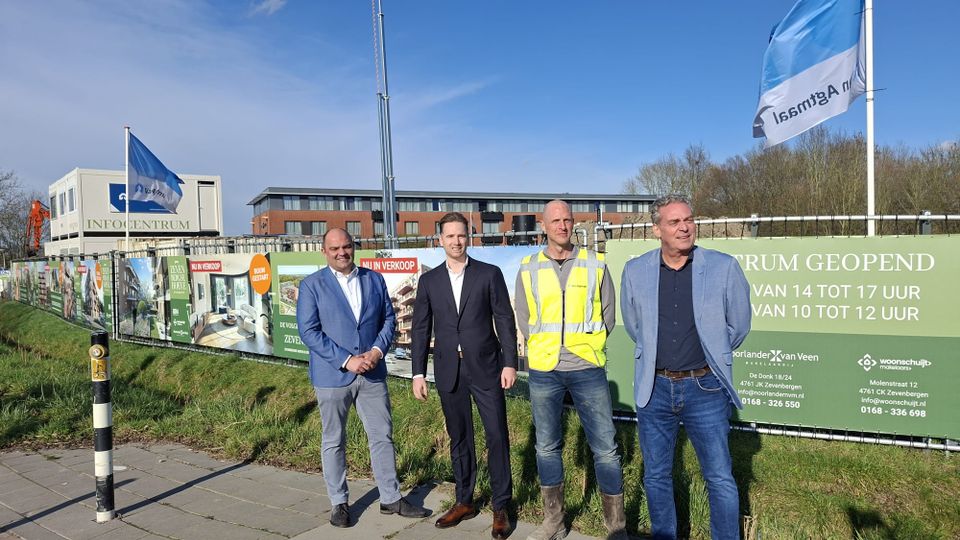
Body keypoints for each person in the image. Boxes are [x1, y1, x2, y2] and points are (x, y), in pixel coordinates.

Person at [620, 194, 751, 540]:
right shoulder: (635, 271)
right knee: (656, 475)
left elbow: (737, 326)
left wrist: (709, 349)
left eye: (689, 220)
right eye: (674, 222)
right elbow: (635, 328)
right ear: (656, 230)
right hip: (655, 388)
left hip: (705, 388)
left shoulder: (723, 267)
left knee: (719, 476)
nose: (685, 227)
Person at [297, 227, 430, 528]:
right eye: (335, 249)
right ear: (324, 252)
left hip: (372, 372)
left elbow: (388, 319)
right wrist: (347, 360)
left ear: (353, 246)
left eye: (346, 246)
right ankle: (339, 503)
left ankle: (391, 498)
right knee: (334, 440)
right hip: (333, 375)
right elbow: (309, 331)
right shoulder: (312, 285)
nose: (342, 252)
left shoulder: (374, 279)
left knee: (382, 435)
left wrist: (376, 352)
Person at [515, 200, 626, 540]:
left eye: (567, 220)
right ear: (544, 225)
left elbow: (607, 314)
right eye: (556, 221)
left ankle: (616, 527)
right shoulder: (528, 267)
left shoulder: (595, 264)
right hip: (545, 368)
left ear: (574, 224)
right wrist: (541, 346)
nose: (562, 226)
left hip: (587, 366)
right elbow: (524, 315)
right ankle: (554, 522)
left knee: (605, 447)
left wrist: (588, 346)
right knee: (547, 447)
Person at [411, 212, 518, 539]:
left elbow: (504, 320)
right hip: (448, 369)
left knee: (496, 435)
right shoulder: (429, 282)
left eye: (461, 236)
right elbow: (420, 328)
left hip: (486, 367)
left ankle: (501, 505)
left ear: (467, 238)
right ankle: (464, 500)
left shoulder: (489, 274)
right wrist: (418, 372)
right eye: (450, 236)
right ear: (439, 240)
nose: (456, 242)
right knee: (459, 438)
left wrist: (510, 363)